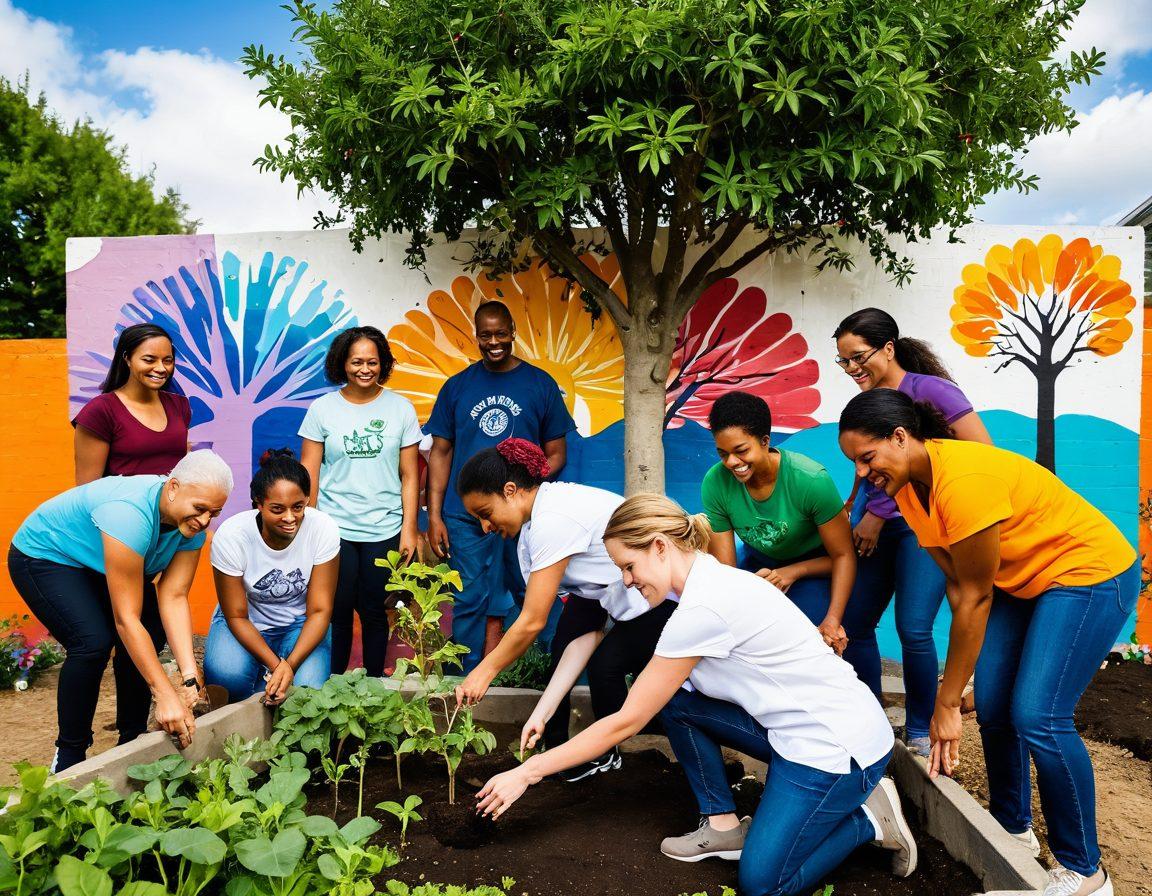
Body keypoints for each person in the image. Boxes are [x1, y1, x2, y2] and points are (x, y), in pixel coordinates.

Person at [478, 494, 915, 896]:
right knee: (679, 703)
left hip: (837, 747)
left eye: (629, 566)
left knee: (763, 882)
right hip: (802, 726)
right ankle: (723, 825)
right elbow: (616, 662)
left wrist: (528, 772)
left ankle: (866, 819)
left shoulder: (703, 608)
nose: (626, 581)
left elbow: (626, 720)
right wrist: (545, 708)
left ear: (660, 547)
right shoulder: (703, 584)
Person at [839, 389, 1137, 896]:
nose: (864, 475)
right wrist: (956, 693)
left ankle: (1086, 870)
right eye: (856, 464)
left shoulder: (965, 481)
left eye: (868, 459)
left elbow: (975, 597)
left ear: (900, 436)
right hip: (1022, 582)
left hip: (1087, 574)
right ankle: (1013, 828)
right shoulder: (911, 492)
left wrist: (947, 703)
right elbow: (959, 586)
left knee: (1039, 716)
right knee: (997, 705)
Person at [7, 450, 233, 772]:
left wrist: (188, 677)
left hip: (100, 562)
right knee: (92, 642)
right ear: (173, 488)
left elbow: (174, 595)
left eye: (215, 512)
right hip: (47, 556)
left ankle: (132, 740)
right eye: (199, 509)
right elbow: (126, 620)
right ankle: (69, 755)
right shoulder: (129, 515)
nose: (205, 521)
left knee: (151, 632)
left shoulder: (191, 527)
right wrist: (164, 693)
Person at [453, 439, 664, 782]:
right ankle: (556, 750)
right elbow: (583, 632)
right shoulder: (534, 526)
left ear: (510, 490)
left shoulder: (554, 518)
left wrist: (484, 671)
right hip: (604, 592)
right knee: (565, 646)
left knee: (606, 668)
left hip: (656, 595)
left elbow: (533, 620)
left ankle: (610, 757)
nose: (485, 527)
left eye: (485, 513)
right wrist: (541, 712)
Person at [833, 308, 992, 757]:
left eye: (857, 357)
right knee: (854, 621)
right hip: (871, 525)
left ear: (888, 348)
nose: (851, 369)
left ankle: (920, 729)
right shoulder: (868, 404)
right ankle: (869, 718)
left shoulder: (931, 391)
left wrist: (879, 513)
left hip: (921, 526)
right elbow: (866, 464)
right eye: (843, 361)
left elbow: (980, 452)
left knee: (914, 627)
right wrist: (855, 504)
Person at [424, 301, 576, 671]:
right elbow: (440, 453)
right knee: (468, 597)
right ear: (475, 335)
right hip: (465, 516)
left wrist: (524, 493)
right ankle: (462, 679)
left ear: (513, 331)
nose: (494, 342)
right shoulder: (457, 387)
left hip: (524, 515)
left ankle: (544, 671)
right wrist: (436, 514)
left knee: (533, 592)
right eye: (485, 335)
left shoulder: (539, 384)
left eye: (501, 334)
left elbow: (556, 454)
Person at [299, 325, 423, 676]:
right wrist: (309, 527)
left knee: (374, 610)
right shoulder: (322, 409)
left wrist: (409, 530)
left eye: (373, 361)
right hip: (333, 529)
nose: (365, 369)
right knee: (336, 612)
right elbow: (308, 474)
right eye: (356, 362)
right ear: (342, 364)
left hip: (384, 527)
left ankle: (372, 690)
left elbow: (410, 475)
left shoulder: (400, 409)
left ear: (383, 364)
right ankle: (331, 686)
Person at [703, 391, 854, 653]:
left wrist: (832, 620)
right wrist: (748, 590)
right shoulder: (715, 483)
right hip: (758, 564)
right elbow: (728, 572)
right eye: (722, 453)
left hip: (816, 565)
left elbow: (843, 556)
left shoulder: (810, 480)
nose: (731, 462)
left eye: (741, 451)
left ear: (764, 441)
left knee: (804, 640)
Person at [204, 449, 339, 704]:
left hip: (300, 625)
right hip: (246, 621)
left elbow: (320, 611)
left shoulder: (323, 529)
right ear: (258, 503)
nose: (290, 518)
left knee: (308, 691)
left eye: (298, 507)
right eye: (278, 509)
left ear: (308, 500)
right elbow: (236, 615)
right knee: (227, 676)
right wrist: (276, 665)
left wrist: (290, 664)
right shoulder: (232, 536)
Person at [73, 323, 191, 484]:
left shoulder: (179, 405)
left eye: (168, 360)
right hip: (121, 507)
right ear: (127, 358)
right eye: (149, 360)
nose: (161, 368)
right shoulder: (101, 410)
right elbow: (86, 489)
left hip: (173, 508)